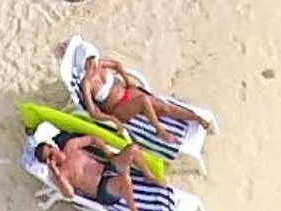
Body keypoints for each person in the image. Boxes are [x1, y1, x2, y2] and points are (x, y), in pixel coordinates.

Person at [32, 127, 159, 211]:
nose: (52, 156)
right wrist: (56, 172)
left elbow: (92, 139)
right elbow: (69, 194)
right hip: (103, 188)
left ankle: (149, 176)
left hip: (108, 169)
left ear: (52, 146)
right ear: (48, 163)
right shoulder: (61, 174)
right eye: (48, 158)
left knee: (133, 149)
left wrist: (107, 152)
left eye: (50, 152)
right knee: (124, 179)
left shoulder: (71, 146)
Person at [80, 53, 208, 145]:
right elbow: (93, 112)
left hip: (127, 93)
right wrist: (112, 119)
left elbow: (116, 65)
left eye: (93, 61)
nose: (93, 66)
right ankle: (160, 130)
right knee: (143, 100)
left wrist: (126, 79)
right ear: (84, 67)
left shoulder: (100, 65)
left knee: (164, 108)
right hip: (117, 109)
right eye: (89, 64)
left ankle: (194, 117)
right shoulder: (87, 84)